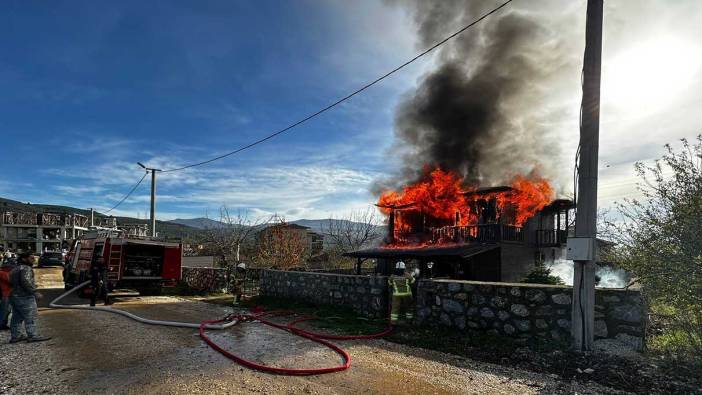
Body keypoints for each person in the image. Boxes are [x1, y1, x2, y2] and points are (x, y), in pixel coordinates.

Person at [8, 252, 50, 343]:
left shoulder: (15, 269)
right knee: (31, 316)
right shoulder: (26, 268)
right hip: (24, 297)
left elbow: (11, 281)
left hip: (13, 296)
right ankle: (33, 335)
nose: (34, 260)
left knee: (17, 317)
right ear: (24, 259)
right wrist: (35, 292)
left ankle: (16, 336)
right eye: (31, 258)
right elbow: (25, 280)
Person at [0, 256, 16, 330]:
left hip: (7, 293)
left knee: (7, 310)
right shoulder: (3, 273)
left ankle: (3, 323)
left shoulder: (4, 272)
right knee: (5, 310)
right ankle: (1, 324)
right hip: (5, 294)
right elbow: (11, 281)